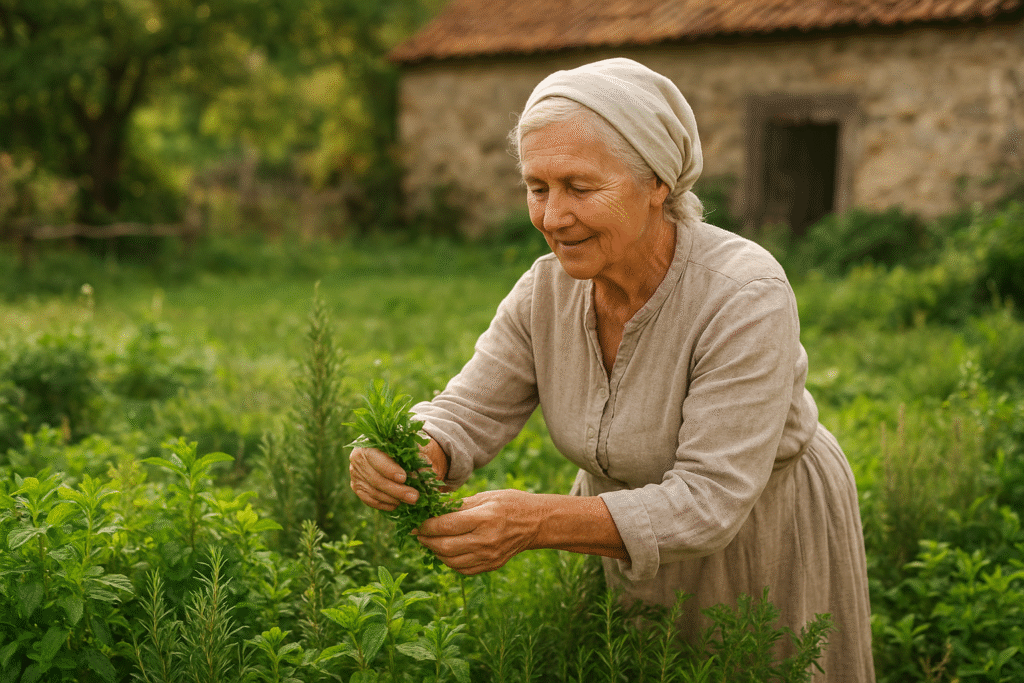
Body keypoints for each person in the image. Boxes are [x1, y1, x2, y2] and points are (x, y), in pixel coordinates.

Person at [349, 58, 875, 681]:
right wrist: (414, 453)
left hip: (760, 541)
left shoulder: (743, 292)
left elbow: (710, 502)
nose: (551, 216)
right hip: (614, 542)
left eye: (579, 186)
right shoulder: (547, 290)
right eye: (537, 187)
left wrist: (536, 520)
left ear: (658, 184)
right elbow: (468, 411)